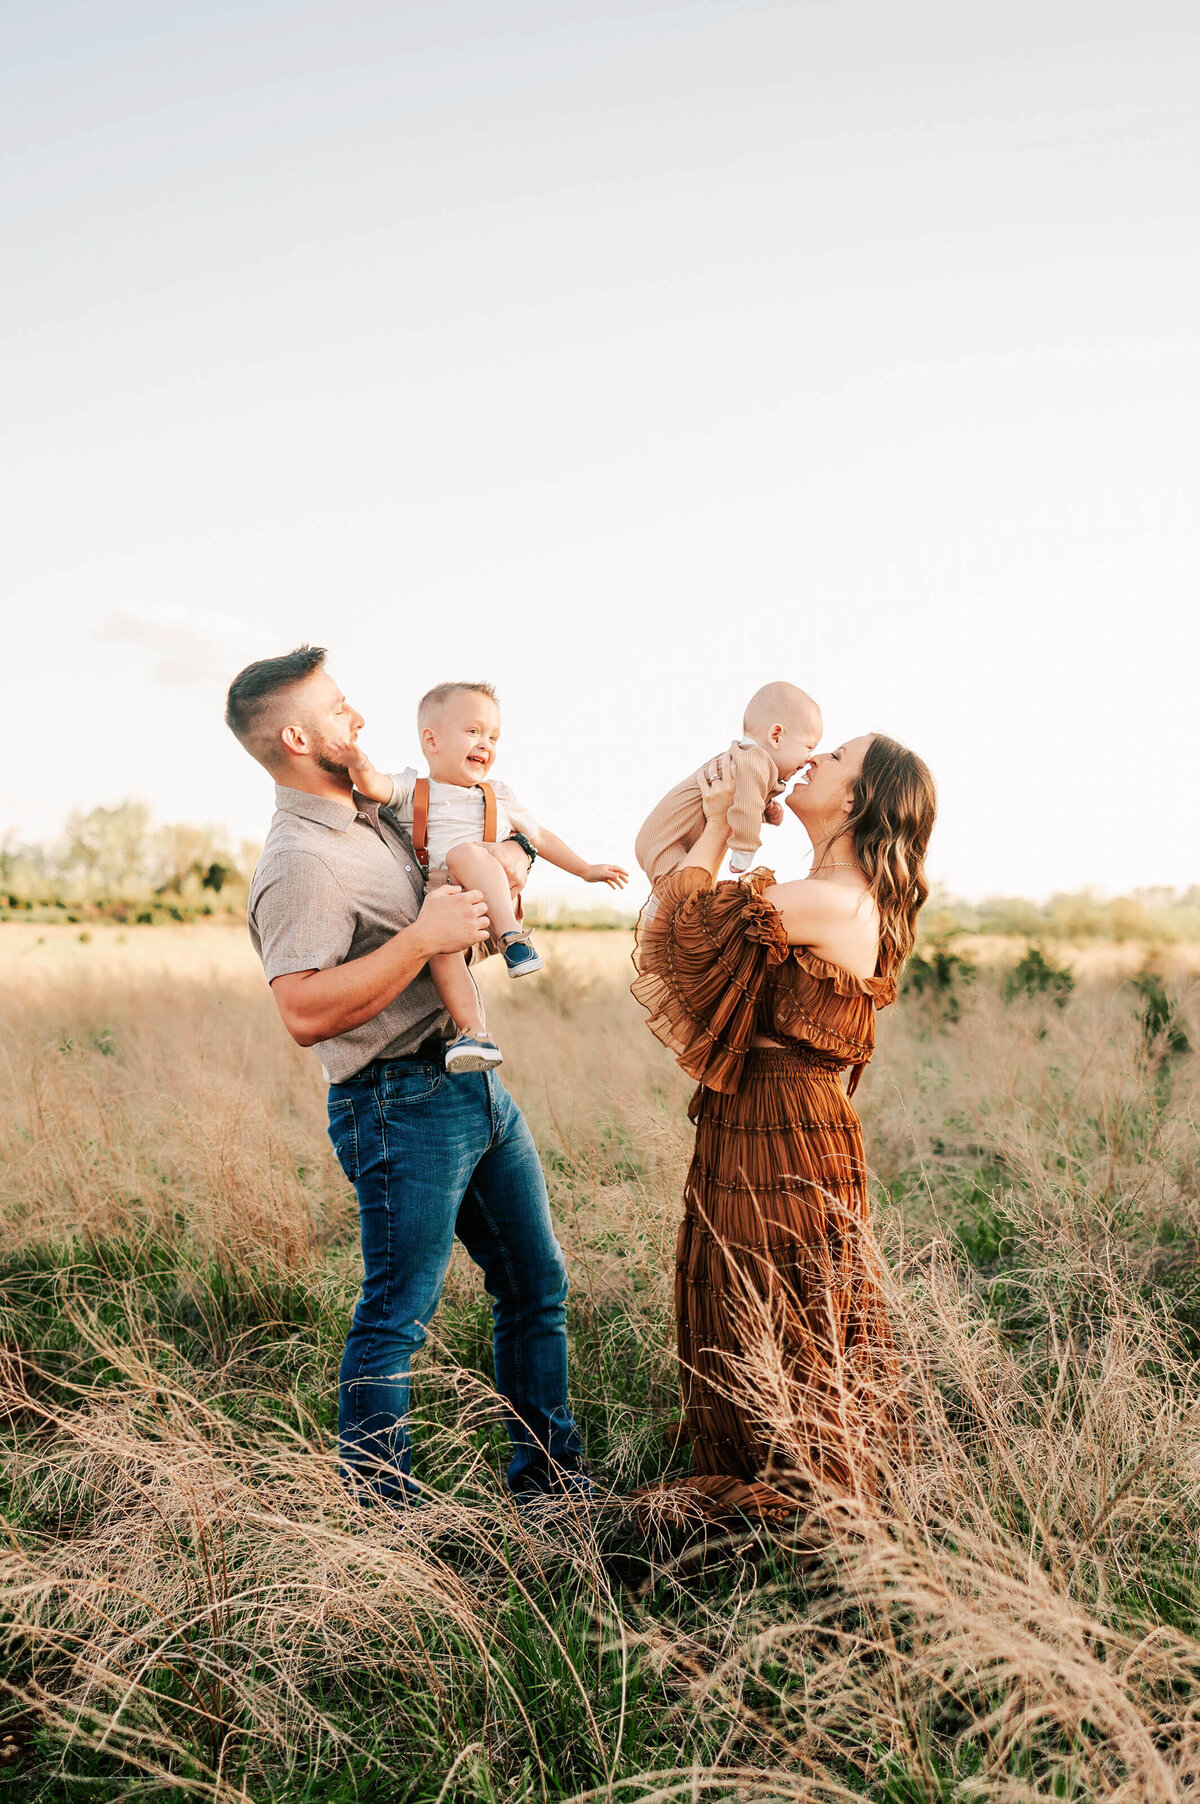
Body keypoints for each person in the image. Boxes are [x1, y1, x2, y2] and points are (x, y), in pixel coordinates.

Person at [224, 645, 590, 1507]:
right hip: (396, 1104)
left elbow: (483, 841)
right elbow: (304, 1011)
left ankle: (552, 1490)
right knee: (395, 1320)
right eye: (341, 709)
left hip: (472, 1084)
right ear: (296, 736)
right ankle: (387, 1527)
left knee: (536, 1287)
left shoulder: (373, 816)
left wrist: (513, 870)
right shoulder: (300, 862)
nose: (358, 721)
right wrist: (422, 941)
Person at [631, 733, 936, 1524]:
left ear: (855, 801)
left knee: (778, 1305)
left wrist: (723, 825)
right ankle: (778, 1477)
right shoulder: (810, 890)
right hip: (758, 1123)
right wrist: (722, 794)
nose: (812, 761)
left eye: (832, 758)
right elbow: (658, 868)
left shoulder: (828, 901)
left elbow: (686, 923)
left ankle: (800, 1504)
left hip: (786, 1134)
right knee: (746, 1298)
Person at [346, 680, 628, 1073]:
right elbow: (373, 784)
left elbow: (540, 836)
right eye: (473, 731)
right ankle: (474, 1034)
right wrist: (358, 763)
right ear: (432, 740)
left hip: (488, 896)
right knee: (441, 955)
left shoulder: (498, 794)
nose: (486, 744)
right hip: (443, 900)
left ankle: (514, 939)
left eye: (494, 736)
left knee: (465, 853)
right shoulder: (414, 788)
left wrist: (584, 870)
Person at [634, 681, 823, 883]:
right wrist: (745, 850)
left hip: (669, 836)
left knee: (686, 894)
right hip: (667, 838)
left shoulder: (744, 760)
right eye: (808, 747)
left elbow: (742, 803)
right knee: (676, 897)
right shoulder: (754, 761)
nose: (810, 758)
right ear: (775, 736)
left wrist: (764, 814)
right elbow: (746, 808)